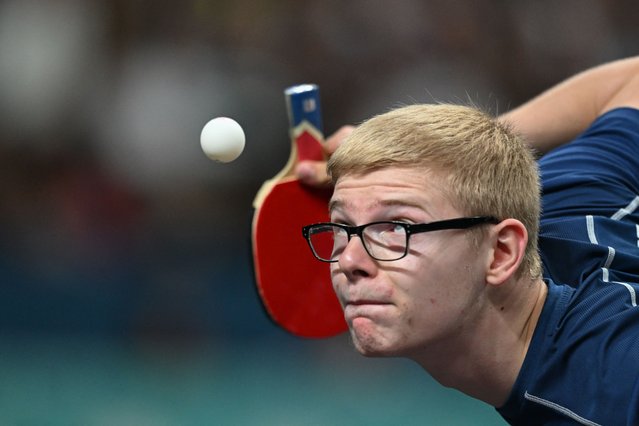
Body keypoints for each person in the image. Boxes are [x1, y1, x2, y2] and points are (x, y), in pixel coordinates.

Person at [297, 57, 639, 424]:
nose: (349, 261)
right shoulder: (567, 199)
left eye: (398, 226)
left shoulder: (614, 389)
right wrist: (461, 153)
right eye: (341, 226)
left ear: (501, 252)